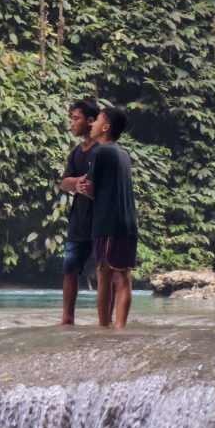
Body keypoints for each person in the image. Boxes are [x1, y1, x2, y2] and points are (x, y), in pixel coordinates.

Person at [80, 106, 138, 328]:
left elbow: (91, 187)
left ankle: (114, 327)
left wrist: (85, 188)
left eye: (96, 122)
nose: (91, 124)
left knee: (112, 276)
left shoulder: (102, 152)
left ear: (105, 127)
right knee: (114, 275)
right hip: (126, 224)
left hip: (108, 224)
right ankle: (110, 327)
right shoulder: (122, 153)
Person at [59, 99, 100, 325]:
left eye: (76, 119)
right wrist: (77, 182)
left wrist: (86, 185)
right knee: (69, 268)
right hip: (78, 221)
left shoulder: (102, 151)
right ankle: (67, 318)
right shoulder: (76, 152)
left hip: (100, 221)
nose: (72, 123)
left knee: (104, 272)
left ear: (91, 121)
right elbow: (64, 182)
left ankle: (105, 320)